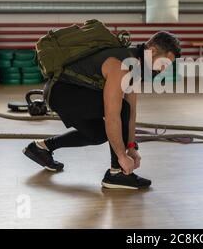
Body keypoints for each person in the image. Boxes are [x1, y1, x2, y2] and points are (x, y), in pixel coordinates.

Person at [23, 31, 181, 190]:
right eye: (163, 63)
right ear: (152, 51)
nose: (163, 70)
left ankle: (41, 147)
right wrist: (122, 157)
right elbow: (114, 116)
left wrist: (132, 147)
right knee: (119, 111)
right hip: (61, 92)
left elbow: (131, 112)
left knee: (98, 134)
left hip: (70, 91)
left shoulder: (136, 67)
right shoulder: (122, 65)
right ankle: (116, 173)